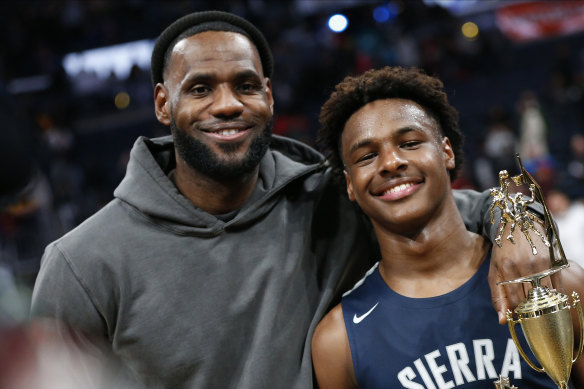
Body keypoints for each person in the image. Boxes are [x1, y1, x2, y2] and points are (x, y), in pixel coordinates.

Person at [30, 11, 555, 389]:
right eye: (199, 89)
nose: (228, 104)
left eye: (245, 84)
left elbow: (457, 204)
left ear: (270, 96)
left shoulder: (328, 197)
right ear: (163, 104)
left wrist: (520, 221)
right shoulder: (82, 264)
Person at [312, 66, 584, 388]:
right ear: (349, 186)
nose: (390, 163)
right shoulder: (337, 340)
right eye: (367, 156)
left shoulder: (557, 284)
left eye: (410, 143)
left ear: (446, 152)